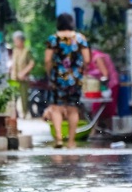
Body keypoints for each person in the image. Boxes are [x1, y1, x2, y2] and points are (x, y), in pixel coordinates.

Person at [44, 13, 91, 149]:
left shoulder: (53, 39)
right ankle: (71, 141)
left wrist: (49, 73)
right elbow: (87, 60)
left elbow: (47, 60)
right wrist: (81, 71)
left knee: (57, 108)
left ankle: (59, 139)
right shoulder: (80, 39)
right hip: (75, 79)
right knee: (73, 109)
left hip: (58, 77)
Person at [84, 47, 120, 128]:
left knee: (106, 108)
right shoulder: (88, 59)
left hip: (110, 85)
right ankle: (99, 129)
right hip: (101, 86)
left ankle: (105, 130)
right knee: (98, 107)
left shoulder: (97, 57)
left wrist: (102, 87)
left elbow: (105, 75)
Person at [7, 30, 35, 118]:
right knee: (13, 97)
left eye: (16, 40)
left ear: (21, 40)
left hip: (23, 78)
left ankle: (25, 113)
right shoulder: (15, 50)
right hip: (14, 77)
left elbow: (32, 63)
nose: (15, 42)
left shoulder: (27, 51)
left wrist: (24, 72)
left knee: (24, 97)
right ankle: (15, 115)